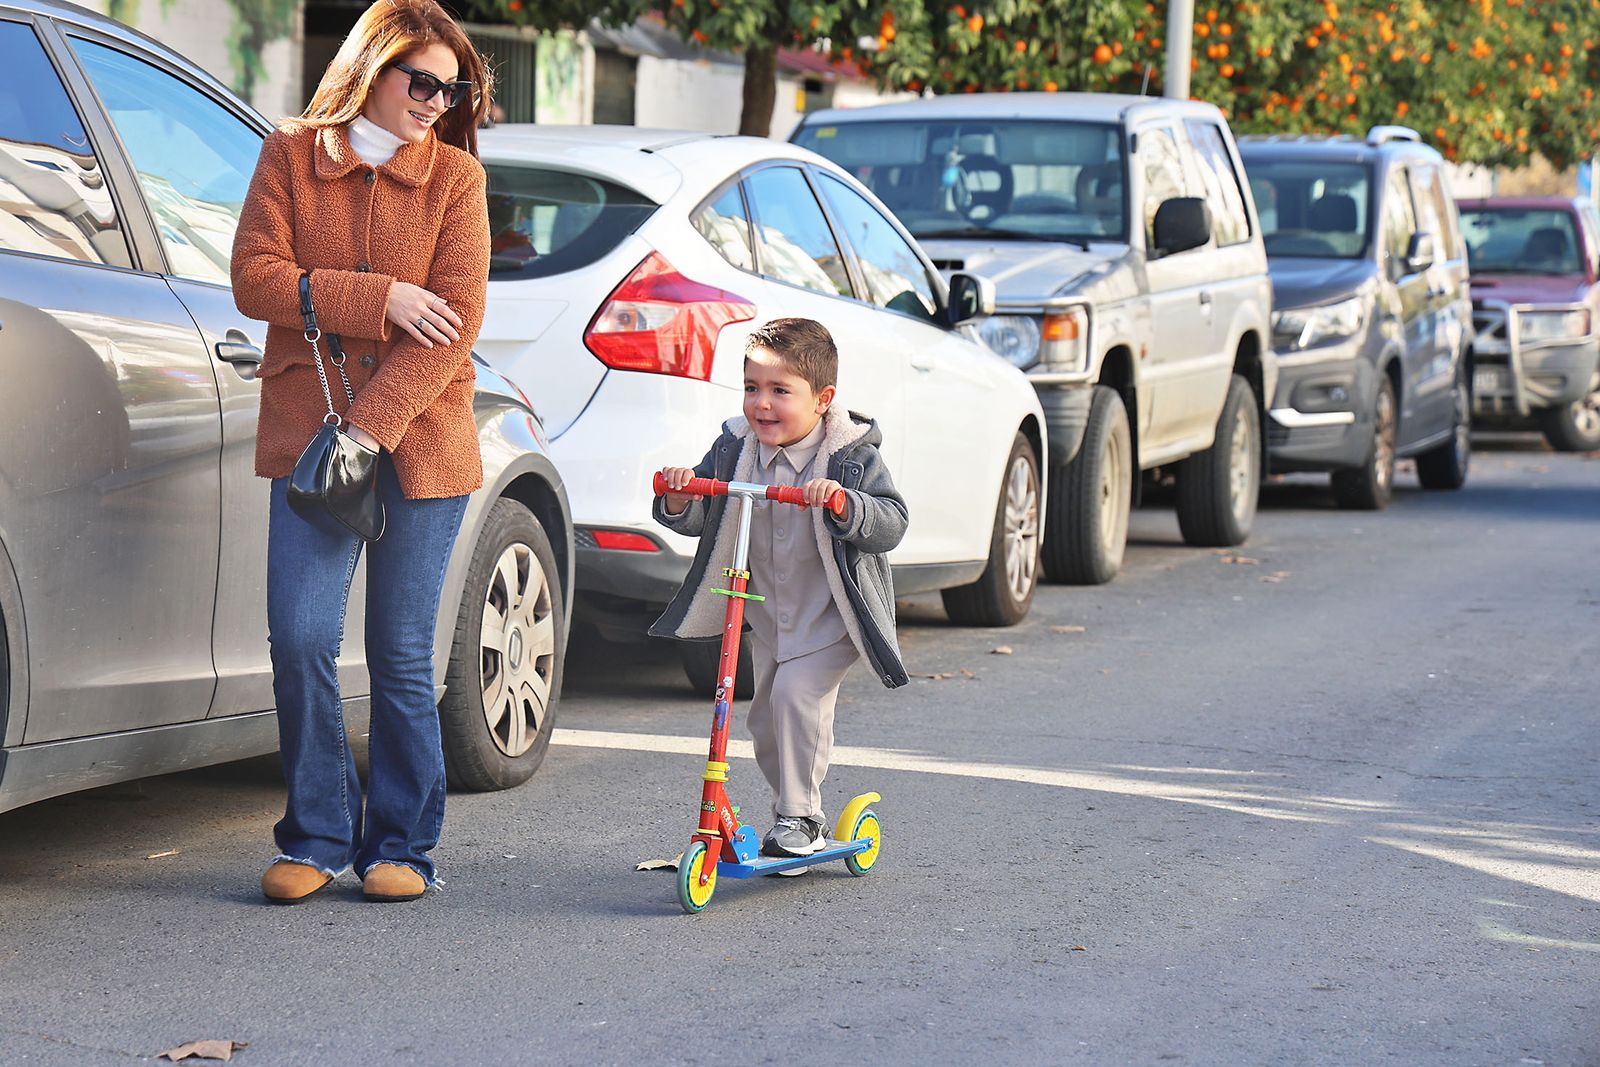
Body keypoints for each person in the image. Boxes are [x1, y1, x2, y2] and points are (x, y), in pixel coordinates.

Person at [231, 0, 493, 905]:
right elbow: (255, 278)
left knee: (400, 654)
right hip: (311, 436)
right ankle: (314, 832)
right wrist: (377, 296)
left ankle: (403, 845)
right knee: (299, 637)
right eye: (420, 81)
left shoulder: (457, 179)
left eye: (449, 87)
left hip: (419, 437)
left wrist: (370, 427)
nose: (434, 100)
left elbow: (454, 325)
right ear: (369, 71)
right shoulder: (288, 156)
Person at [651, 319, 910, 859]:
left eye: (779, 391)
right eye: (751, 388)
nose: (761, 405)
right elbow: (706, 510)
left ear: (823, 400)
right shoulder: (735, 448)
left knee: (797, 699)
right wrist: (680, 495)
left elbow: (892, 521)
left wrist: (843, 503)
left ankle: (802, 816)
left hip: (831, 615)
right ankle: (788, 809)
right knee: (765, 717)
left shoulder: (849, 455)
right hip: (769, 616)